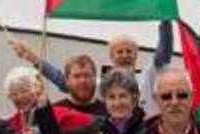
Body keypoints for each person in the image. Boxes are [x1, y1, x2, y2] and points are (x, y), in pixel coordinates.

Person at [9, 21, 172, 114]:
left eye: (129, 51)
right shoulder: (101, 85)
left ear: (136, 54)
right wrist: (33, 58)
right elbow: (64, 82)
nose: (124, 55)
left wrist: (165, 18)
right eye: (119, 51)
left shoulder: (147, 78)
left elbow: (163, 53)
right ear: (111, 56)